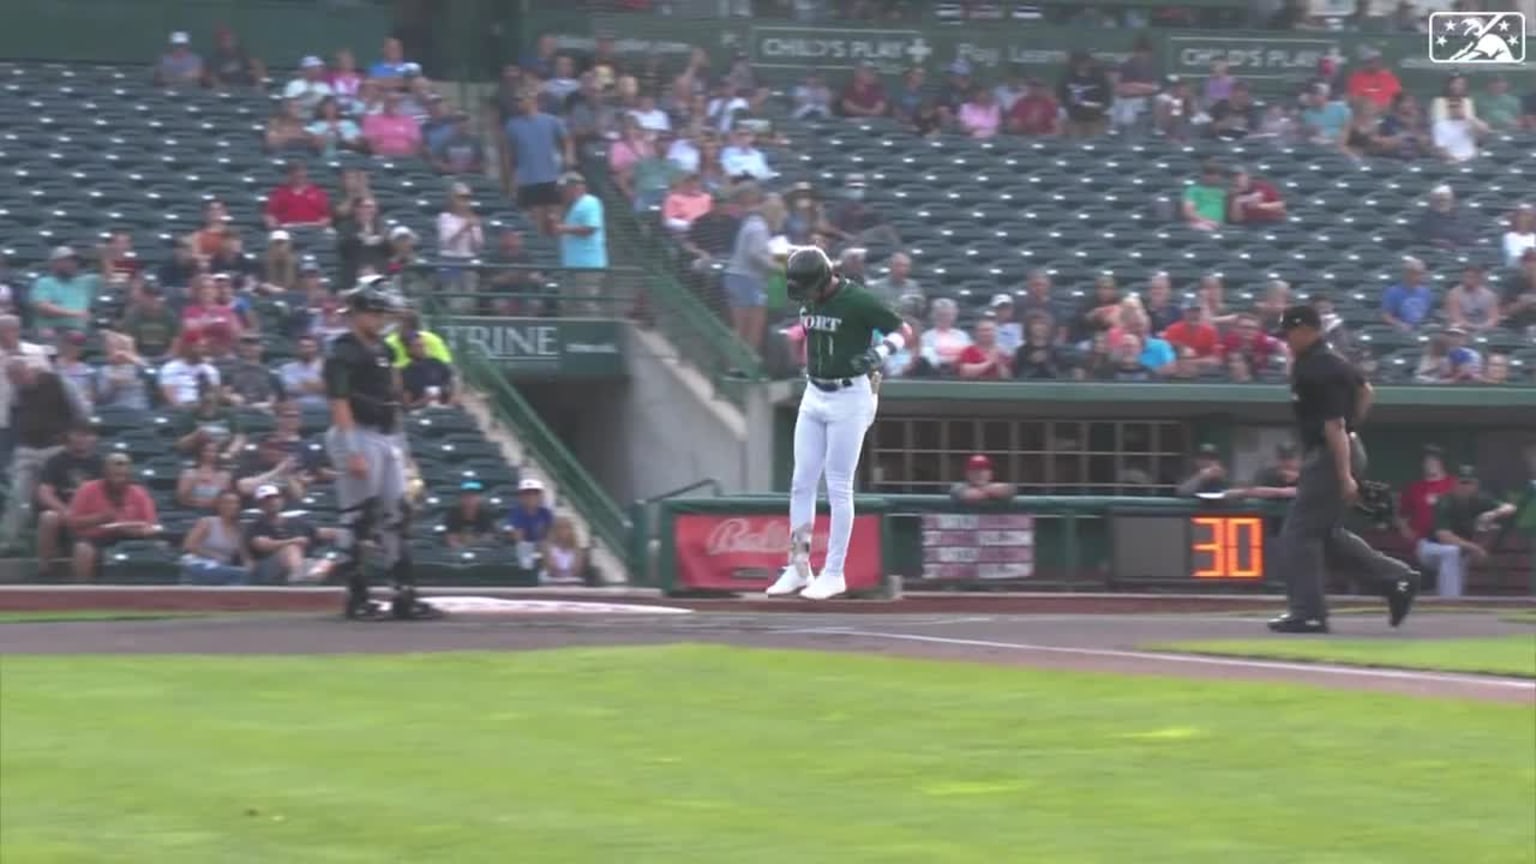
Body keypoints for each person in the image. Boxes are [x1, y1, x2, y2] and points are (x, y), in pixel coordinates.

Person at [767, 247, 912, 601]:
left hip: (850, 395)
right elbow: (811, 332)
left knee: (838, 486)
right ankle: (799, 567)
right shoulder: (810, 298)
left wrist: (878, 354)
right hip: (814, 392)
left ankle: (834, 573)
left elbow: (903, 330)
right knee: (801, 483)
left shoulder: (858, 300)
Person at [1268, 305, 1419, 634]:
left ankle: (1308, 612)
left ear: (1307, 329)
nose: (1286, 342)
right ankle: (1397, 580)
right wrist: (1353, 429)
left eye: (1289, 334)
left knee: (1298, 534)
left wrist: (1345, 473)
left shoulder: (1316, 368)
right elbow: (1367, 392)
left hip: (1331, 453)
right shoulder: (1332, 359)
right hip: (1342, 446)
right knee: (1325, 535)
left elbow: (1333, 425)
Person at [323, 278, 439, 620]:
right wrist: (352, 449)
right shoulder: (342, 351)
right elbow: (339, 401)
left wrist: (404, 450)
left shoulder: (385, 351)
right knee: (359, 516)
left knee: (396, 514)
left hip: (386, 434)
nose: (380, 319)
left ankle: (404, 594)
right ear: (356, 312)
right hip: (357, 432)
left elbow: (394, 400)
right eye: (374, 312)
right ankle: (357, 597)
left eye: (382, 312)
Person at [1415, 466, 1517, 597]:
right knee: (1451, 552)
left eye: (1469, 482)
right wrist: (1475, 548)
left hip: (1460, 552)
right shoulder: (1445, 501)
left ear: (1476, 485)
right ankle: (1449, 603)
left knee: (1456, 559)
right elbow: (1443, 537)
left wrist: (1493, 513)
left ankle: (1450, 602)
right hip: (1429, 549)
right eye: (1462, 482)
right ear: (1455, 483)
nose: (1465, 486)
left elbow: (1510, 507)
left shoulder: (1480, 500)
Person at [64, 453, 159, 581]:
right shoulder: (87, 489)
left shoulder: (139, 493)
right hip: (95, 538)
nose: (120, 479)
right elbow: (71, 522)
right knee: (82, 550)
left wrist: (136, 530)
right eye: (115, 475)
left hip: (129, 537)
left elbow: (151, 524)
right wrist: (100, 518)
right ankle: (83, 593)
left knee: (159, 547)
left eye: (124, 475)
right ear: (105, 472)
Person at [34, 423, 103, 572]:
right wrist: (65, 510)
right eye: (77, 434)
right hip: (64, 513)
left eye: (86, 435)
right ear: (68, 436)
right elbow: (44, 492)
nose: (81, 439)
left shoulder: (101, 464)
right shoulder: (55, 461)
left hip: (91, 517)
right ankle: (45, 568)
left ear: (95, 439)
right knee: (48, 517)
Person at [180, 490, 254, 585]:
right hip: (198, 563)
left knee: (243, 574)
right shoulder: (207, 522)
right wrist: (214, 555)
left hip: (222, 567)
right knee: (238, 574)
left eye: (236, 503)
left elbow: (245, 555)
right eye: (228, 503)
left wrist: (249, 563)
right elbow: (189, 546)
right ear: (219, 505)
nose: (232, 506)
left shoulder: (239, 529)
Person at [443, 480, 496, 547]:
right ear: (461, 498)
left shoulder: (485, 514)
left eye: (473, 496)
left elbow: (488, 538)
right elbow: (451, 539)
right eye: (467, 496)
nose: (470, 500)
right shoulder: (453, 514)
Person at [950, 454, 1016, 503]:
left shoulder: (997, 486)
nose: (979, 474)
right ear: (968, 474)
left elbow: (1008, 490)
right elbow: (968, 495)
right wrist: (990, 492)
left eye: (983, 471)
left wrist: (986, 490)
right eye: (974, 471)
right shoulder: (959, 487)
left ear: (990, 474)